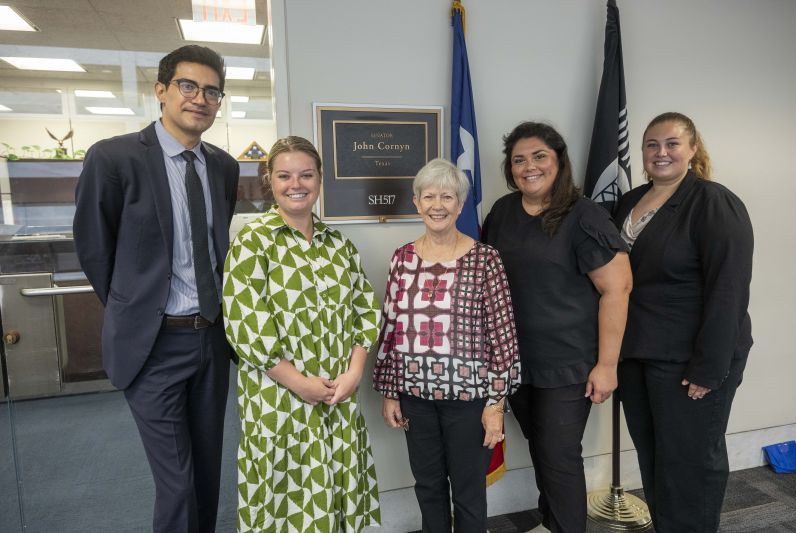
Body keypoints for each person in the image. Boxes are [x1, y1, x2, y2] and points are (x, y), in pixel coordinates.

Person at [73, 45, 239, 532]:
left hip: (210, 338)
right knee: (178, 482)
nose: (200, 99)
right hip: (154, 345)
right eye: (188, 86)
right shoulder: (114, 158)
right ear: (161, 90)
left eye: (212, 91)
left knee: (208, 473)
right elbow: (94, 250)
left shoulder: (224, 167)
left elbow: (215, 249)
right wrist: (136, 309)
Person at [223, 136, 381, 532]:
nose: (297, 184)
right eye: (285, 175)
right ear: (270, 181)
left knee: (336, 491)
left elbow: (365, 310)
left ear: (320, 179)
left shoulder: (338, 245)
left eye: (306, 174)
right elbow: (246, 327)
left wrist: (355, 372)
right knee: (287, 498)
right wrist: (301, 386)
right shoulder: (253, 242)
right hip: (280, 399)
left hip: (338, 394)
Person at [482, 122, 632, 533]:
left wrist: (607, 365)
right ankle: (551, 522)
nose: (529, 166)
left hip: (569, 363)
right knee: (542, 449)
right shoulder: (502, 213)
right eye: (519, 160)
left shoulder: (584, 216)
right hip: (516, 362)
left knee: (559, 454)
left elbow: (618, 290)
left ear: (559, 161)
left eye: (539, 156)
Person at [613, 112, 753, 533]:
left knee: (689, 467)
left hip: (690, 362)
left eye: (672, 143)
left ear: (693, 149)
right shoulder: (629, 201)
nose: (661, 153)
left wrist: (709, 367)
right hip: (637, 354)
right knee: (655, 459)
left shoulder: (713, 202)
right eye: (652, 144)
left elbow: (728, 290)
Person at [373, 158, 520, 532]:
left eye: (448, 196)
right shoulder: (402, 259)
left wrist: (496, 404)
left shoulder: (486, 260)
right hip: (414, 398)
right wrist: (391, 392)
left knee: (469, 492)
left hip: (469, 402)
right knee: (428, 487)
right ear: (417, 202)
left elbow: (503, 336)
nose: (438, 204)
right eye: (429, 196)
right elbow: (391, 330)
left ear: (459, 205)